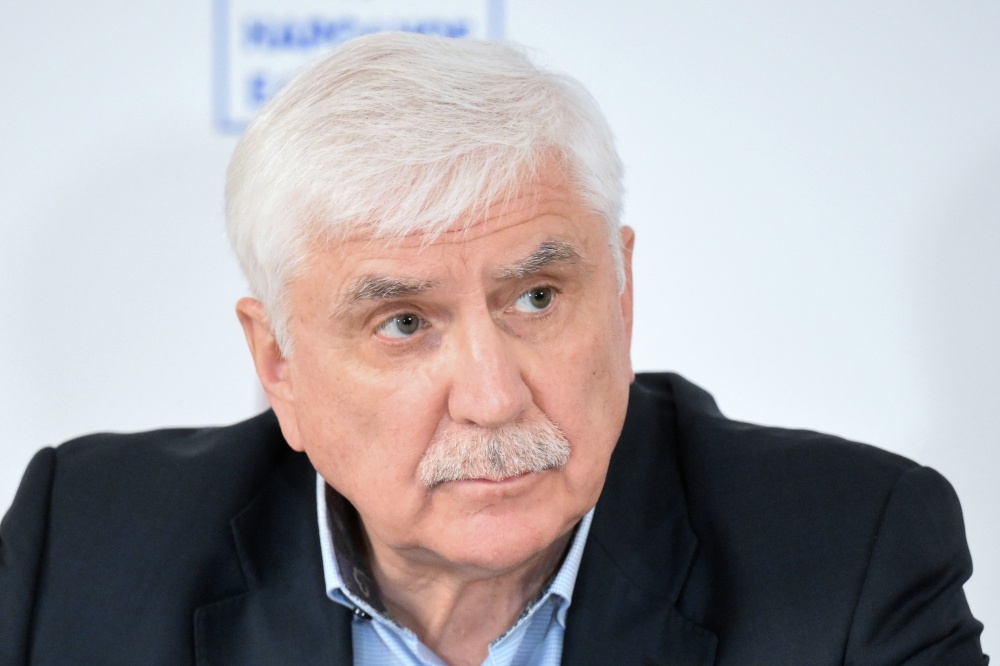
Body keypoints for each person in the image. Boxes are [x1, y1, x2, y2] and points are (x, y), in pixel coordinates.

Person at [0, 32, 988, 665]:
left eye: (536, 298)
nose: (492, 395)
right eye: (403, 323)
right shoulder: (83, 550)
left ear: (623, 295)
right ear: (279, 365)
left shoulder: (849, 559)